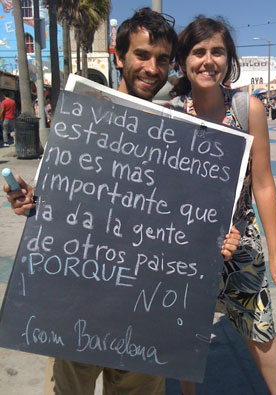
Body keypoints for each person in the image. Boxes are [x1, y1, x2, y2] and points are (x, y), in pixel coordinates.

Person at [4, 9, 241, 395]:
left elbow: (192, 219)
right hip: (74, 311)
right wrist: (31, 200)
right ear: (118, 56)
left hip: (146, 322)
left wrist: (219, 238)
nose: (152, 68)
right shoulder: (81, 117)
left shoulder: (183, 134)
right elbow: (58, 194)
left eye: (162, 59)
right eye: (142, 55)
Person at [167, 16, 276, 395]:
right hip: (184, 241)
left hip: (242, 241)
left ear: (229, 59)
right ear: (183, 60)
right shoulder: (171, 113)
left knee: (260, 326)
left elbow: (264, 184)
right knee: (184, 325)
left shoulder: (246, 108)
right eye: (198, 52)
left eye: (217, 52)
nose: (208, 60)